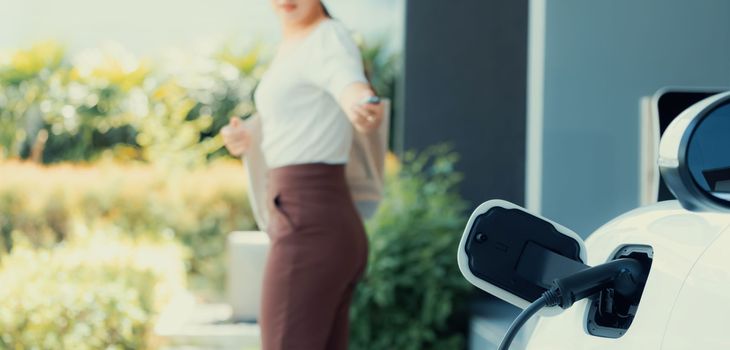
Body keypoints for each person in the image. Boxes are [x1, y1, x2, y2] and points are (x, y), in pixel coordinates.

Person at [220, 1, 385, 349]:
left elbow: (350, 86)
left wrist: (363, 106)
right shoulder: (295, 43)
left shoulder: (328, 37)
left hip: (310, 224)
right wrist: (249, 138)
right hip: (318, 222)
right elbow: (301, 123)